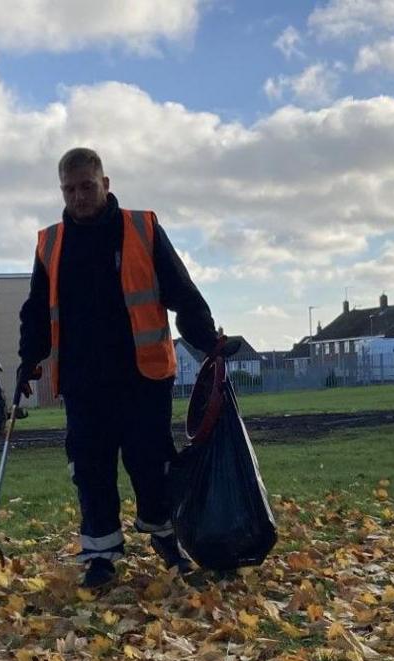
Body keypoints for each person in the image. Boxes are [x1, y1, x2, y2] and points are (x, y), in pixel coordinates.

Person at [18, 147, 234, 589]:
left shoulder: (143, 230)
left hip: (143, 378)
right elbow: (37, 309)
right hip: (83, 382)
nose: (79, 196)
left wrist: (207, 341)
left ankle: (166, 537)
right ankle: (100, 556)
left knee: (152, 464)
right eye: (70, 189)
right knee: (90, 469)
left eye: (87, 186)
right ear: (62, 190)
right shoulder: (51, 243)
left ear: (106, 184)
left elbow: (182, 293)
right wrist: (28, 360)